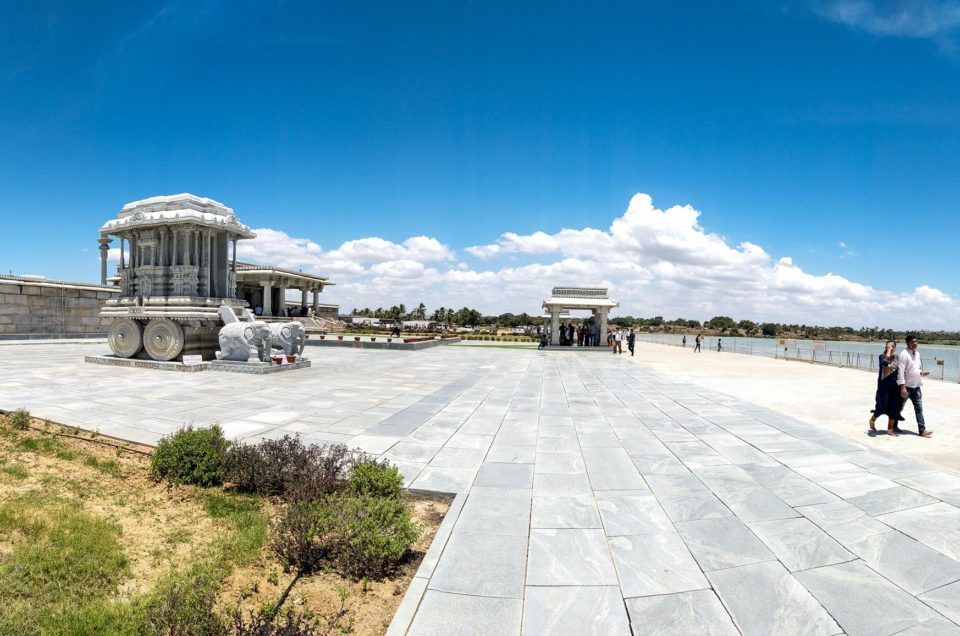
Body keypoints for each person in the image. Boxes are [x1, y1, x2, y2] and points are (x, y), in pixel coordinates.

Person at [897, 334, 933, 437]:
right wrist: (902, 387)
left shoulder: (917, 354)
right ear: (907, 343)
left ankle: (922, 430)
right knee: (899, 408)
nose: (915, 343)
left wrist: (921, 372)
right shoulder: (904, 354)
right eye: (912, 342)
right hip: (907, 386)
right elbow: (900, 371)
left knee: (919, 408)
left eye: (916, 341)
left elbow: (914, 369)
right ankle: (893, 425)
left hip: (916, 386)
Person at [869, 340, 903, 435]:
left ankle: (890, 429)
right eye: (889, 346)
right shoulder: (882, 357)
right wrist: (888, 351)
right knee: (881, 406)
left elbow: (900, 370)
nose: (891, 348)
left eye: (893, 346)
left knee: (893, 407)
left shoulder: (897, 357)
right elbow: (885, 363)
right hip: (883, 386)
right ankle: (873, 419)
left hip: (894, 386)